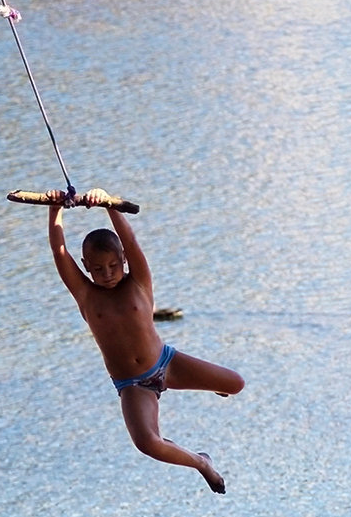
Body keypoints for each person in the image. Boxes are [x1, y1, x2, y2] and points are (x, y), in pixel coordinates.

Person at [46, 188, 244, 494]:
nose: (107, 274)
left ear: (123, 260)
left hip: (166, 362)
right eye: (97, 269)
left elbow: (131, 241)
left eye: (113, 266)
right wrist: (55, 209)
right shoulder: (86, 295)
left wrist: (110, 205)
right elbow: (60, 254)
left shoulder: (139, 281)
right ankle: (201, 462)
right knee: (147, 443)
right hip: (134, 384)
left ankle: (212, 385)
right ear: (86, 267)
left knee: (236, 384)